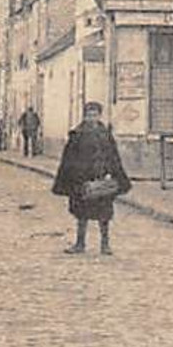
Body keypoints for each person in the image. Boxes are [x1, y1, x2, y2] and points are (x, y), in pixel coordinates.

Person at [51, 101, 131, 254]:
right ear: (84, 116)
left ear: (99, 116)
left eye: (94, 115)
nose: (91, 118)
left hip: (102, 179)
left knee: (104, 214)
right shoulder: (77, 134)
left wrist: (113, 174)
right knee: (82, 213)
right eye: (89, 115)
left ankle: (105, 245)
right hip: (82, 180)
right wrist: (73, 177)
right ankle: (80, 244)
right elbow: (69, 158)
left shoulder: (105, 135)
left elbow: (113, 157)